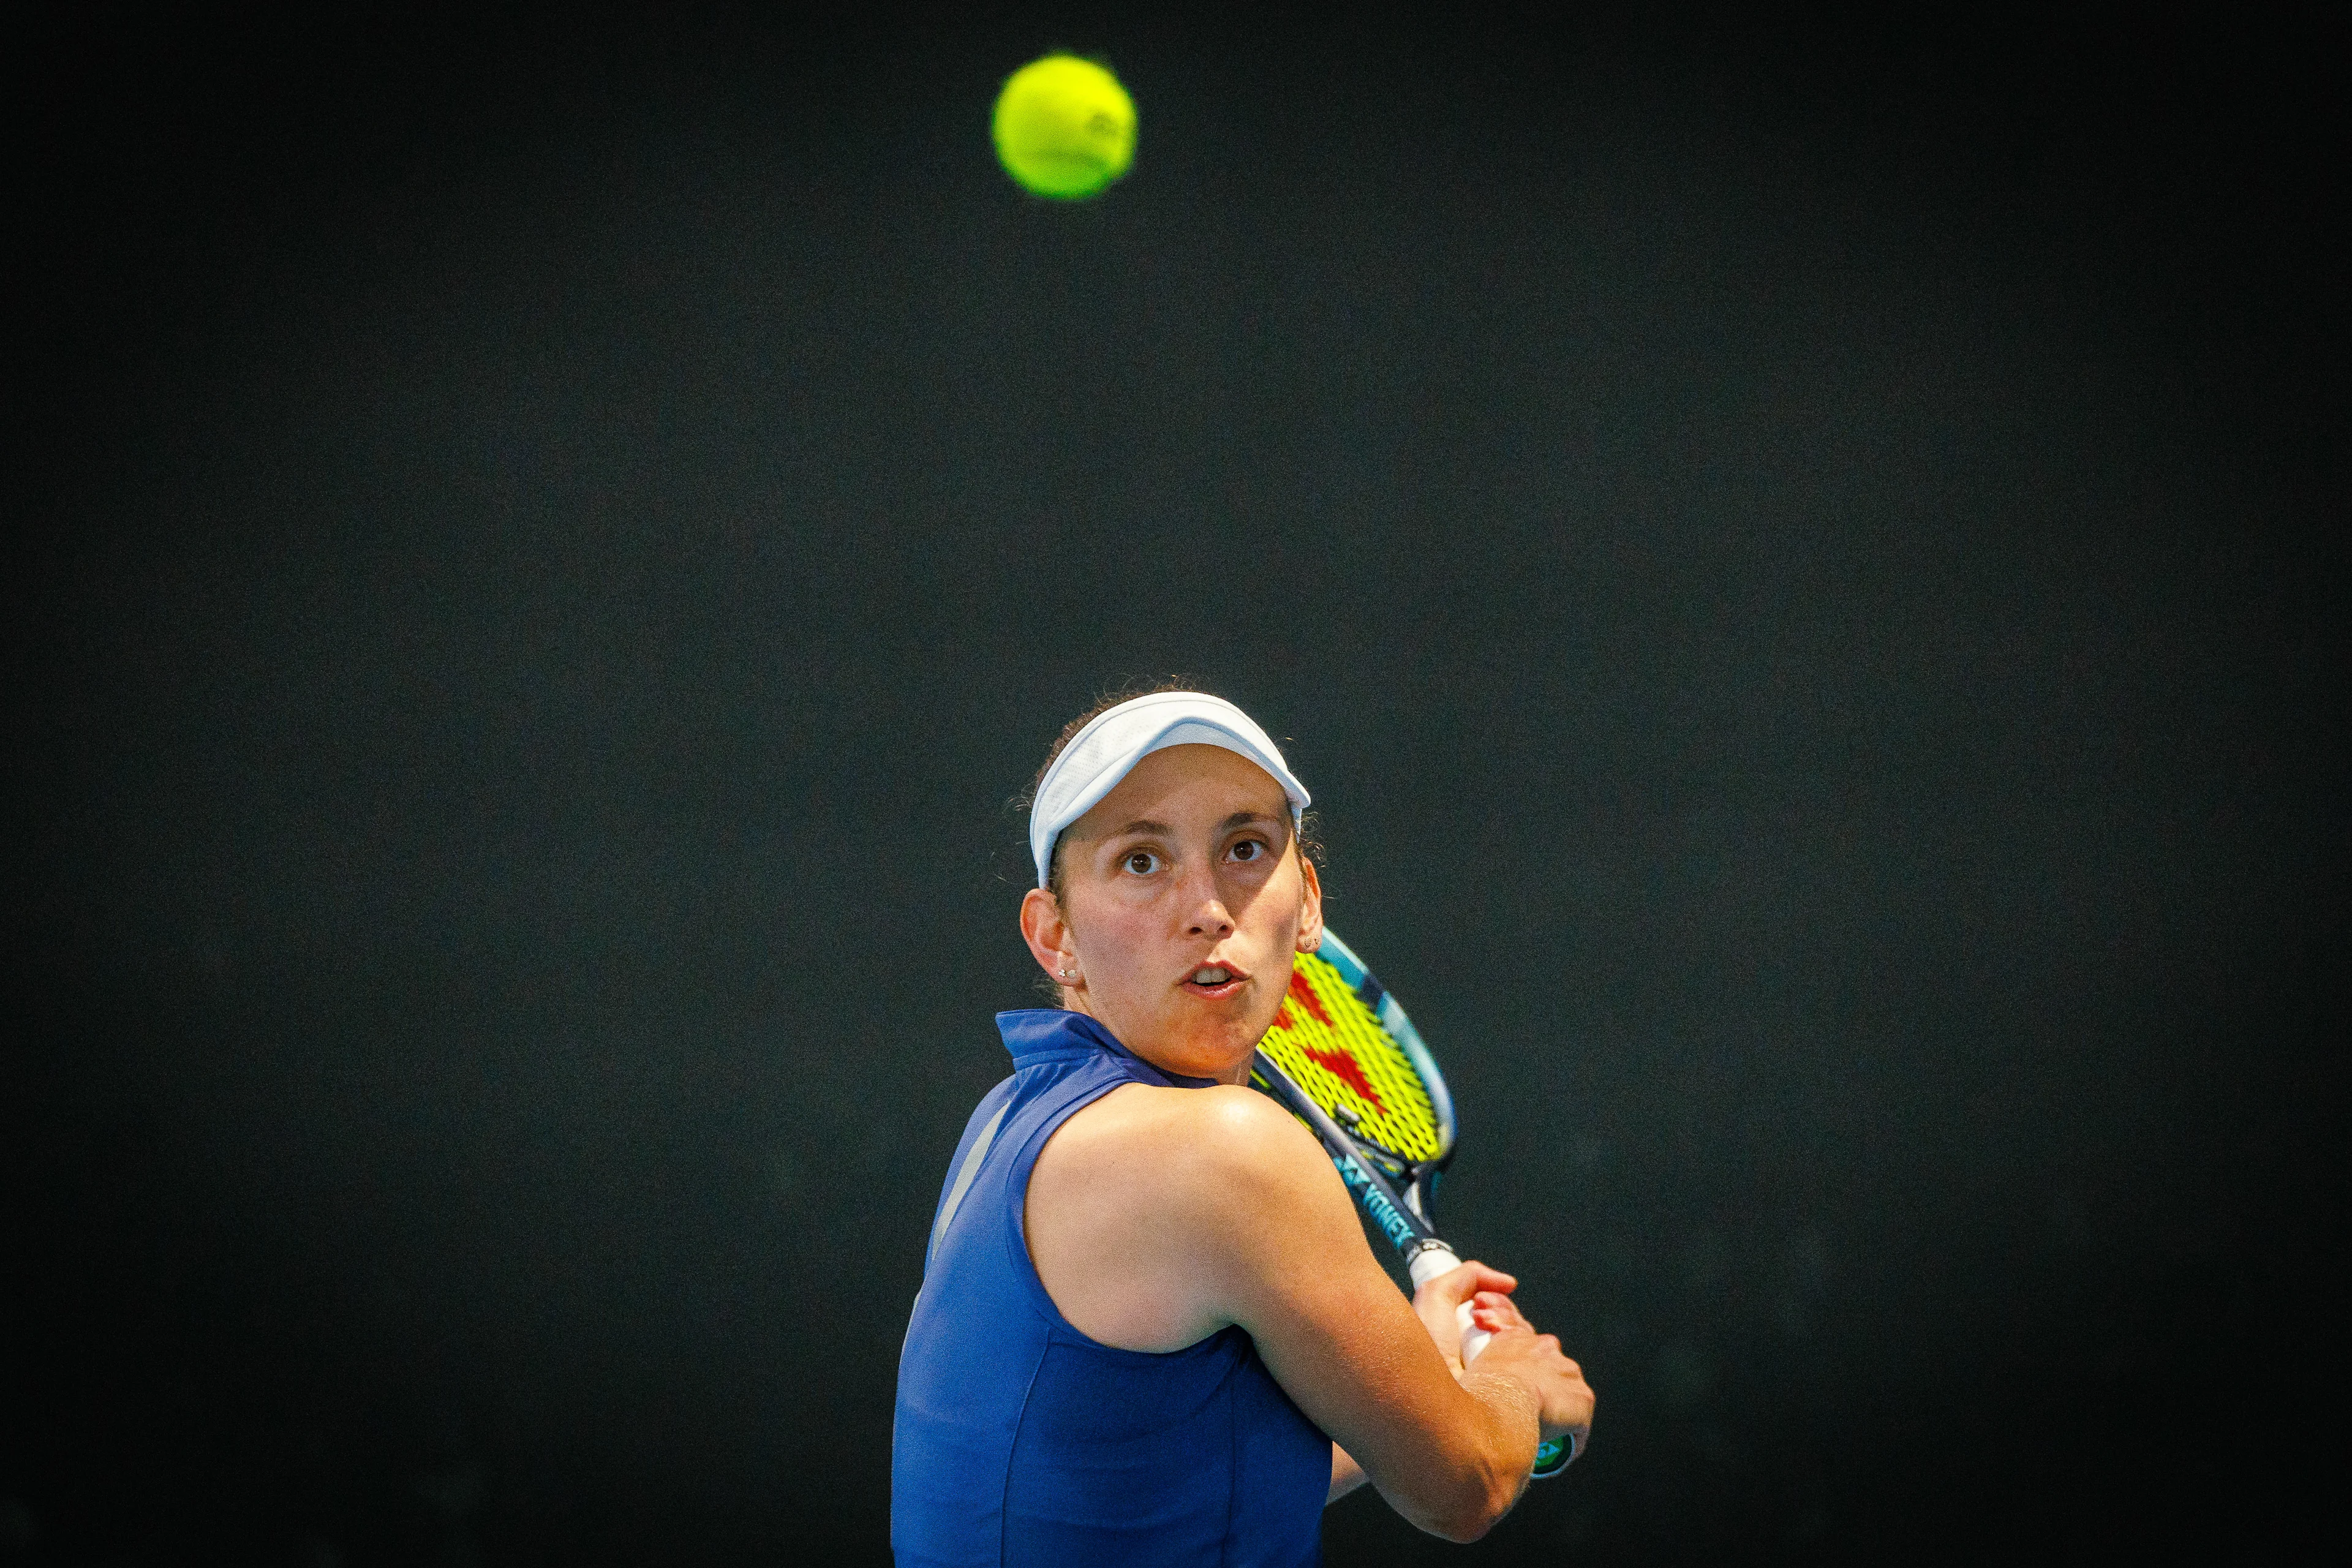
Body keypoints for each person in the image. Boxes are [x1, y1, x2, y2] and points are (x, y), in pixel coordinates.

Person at [891, 688, 1593, 1566]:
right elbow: (1465, 1488)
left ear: (1306, 902)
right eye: (1142, 862)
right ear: (1054, 936)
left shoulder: (1004, 1121)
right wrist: (1515, 1391)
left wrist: (1421, 1373)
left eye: (1245, 848)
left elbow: (1154, 1477)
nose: (1207, 906)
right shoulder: (1227, 1150)